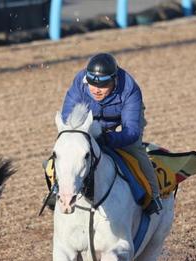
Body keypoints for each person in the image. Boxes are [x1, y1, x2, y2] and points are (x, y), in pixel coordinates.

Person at [59, 53, 162, 215]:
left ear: (114, 80)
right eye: (92, 84)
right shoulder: (80, 82)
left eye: (103, 85)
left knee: (135, 149)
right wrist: (87, 134)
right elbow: (67, 117)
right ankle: (54, 191)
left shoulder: (130, 89)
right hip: (90, 122)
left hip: (122, 119)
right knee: (64, 151)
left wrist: (107, 138)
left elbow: (131, 132)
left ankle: (154, 196)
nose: (96, 90)